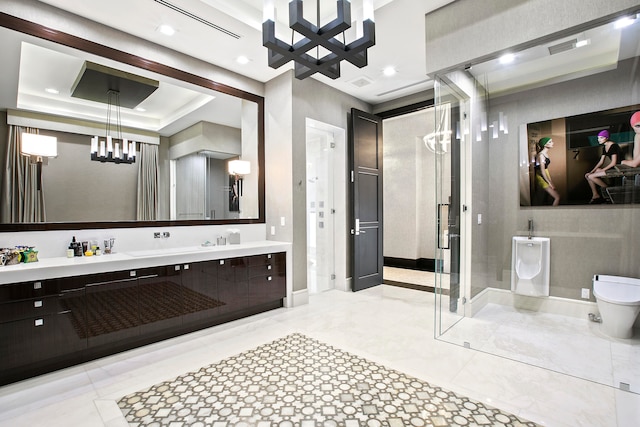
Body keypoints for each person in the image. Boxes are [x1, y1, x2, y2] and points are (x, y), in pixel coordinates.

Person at [584, 130, 620, 204]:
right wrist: (592, 171)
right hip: (611, 167)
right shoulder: (605, 147)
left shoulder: (613, 145)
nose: (598, 140)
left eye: (600, 138)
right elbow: (601, 162)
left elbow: (614, 163)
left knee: (591, 177)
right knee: (588, 175)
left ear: (606, 138)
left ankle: (608, 190)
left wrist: (602, 170)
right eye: (598, 138)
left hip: (618, 168)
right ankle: (595, 195)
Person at [535, 137, 560, 206]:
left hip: (545, 174)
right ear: (545, 144)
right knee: (557, 197)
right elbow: (542, 171)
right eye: (550, 142)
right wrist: (549, 182)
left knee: (545, 198)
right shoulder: (541, 155)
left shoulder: (545, 154)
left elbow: (545, 169)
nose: (552, 143)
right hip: (541, 176)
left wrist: (550, 181)